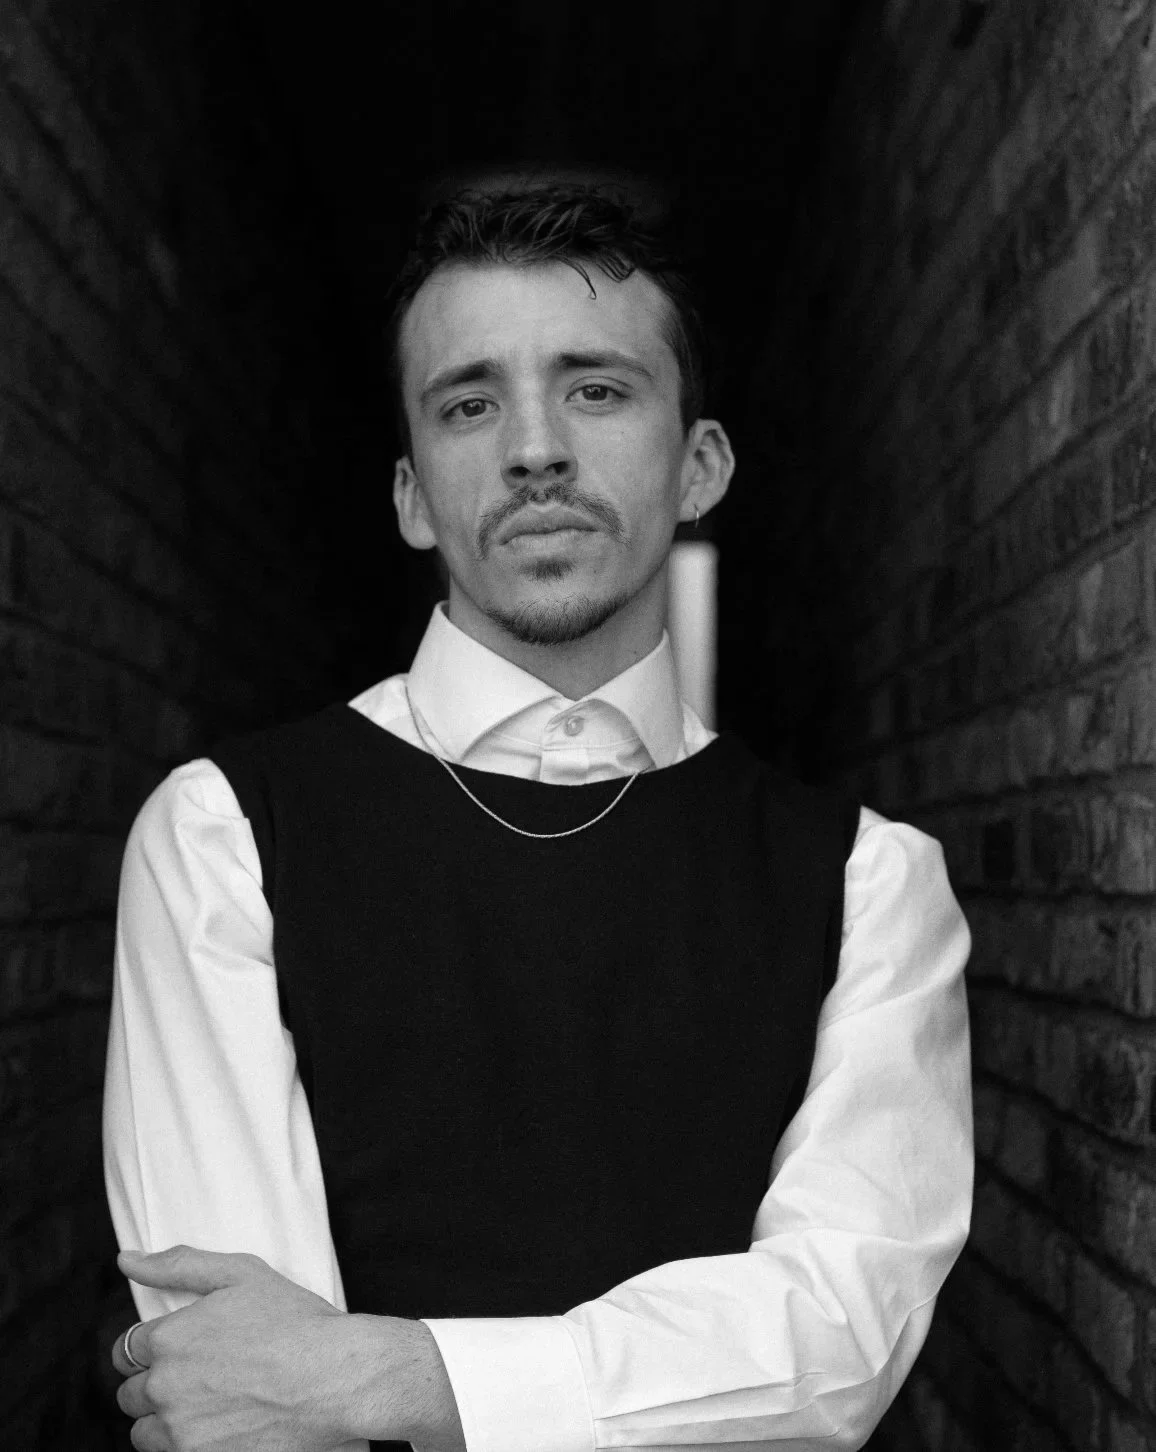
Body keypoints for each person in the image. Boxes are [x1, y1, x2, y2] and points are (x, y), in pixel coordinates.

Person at [103, 184, 973, 1452]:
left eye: (596, 389)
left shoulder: (868, 879)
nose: (533, 449)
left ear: (700, 467)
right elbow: (244, 1394)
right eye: (469, 404)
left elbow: (837, 1337)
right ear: (411, 496)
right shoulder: (223, 835)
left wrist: (410, 1376)